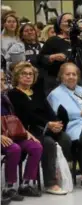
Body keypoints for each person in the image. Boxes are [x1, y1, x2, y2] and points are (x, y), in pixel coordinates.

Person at [8, 61, 72, 195]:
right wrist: (47, 124)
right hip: (27, 130)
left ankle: (60, 175)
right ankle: (50, 183)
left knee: (65, 138)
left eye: (30, 74)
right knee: (48, 143)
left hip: (45, 127)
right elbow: (25, 116)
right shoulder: (13, 94)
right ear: (17, 76)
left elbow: (48, 110)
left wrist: (56, 123)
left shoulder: (37, 92)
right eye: (24, 74)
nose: (28, 77)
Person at [1, 70, 43, 204]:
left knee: (36, 146)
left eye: (2, 80)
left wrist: (26, 132)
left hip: (11, 132)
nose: (1, 83)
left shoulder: (4, 97)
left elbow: (13, 119)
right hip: (2, 136)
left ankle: (26, 184)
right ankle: (9, 186)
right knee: (14, 149)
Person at [39, 13, 82, 95]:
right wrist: (52, 57)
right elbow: (40, 58)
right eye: (66, 21)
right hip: (58, 81)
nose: (69, 24)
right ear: (59, 25)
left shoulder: (78, 40)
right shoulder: (53, 40)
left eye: (72, 21)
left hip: (78, 81)